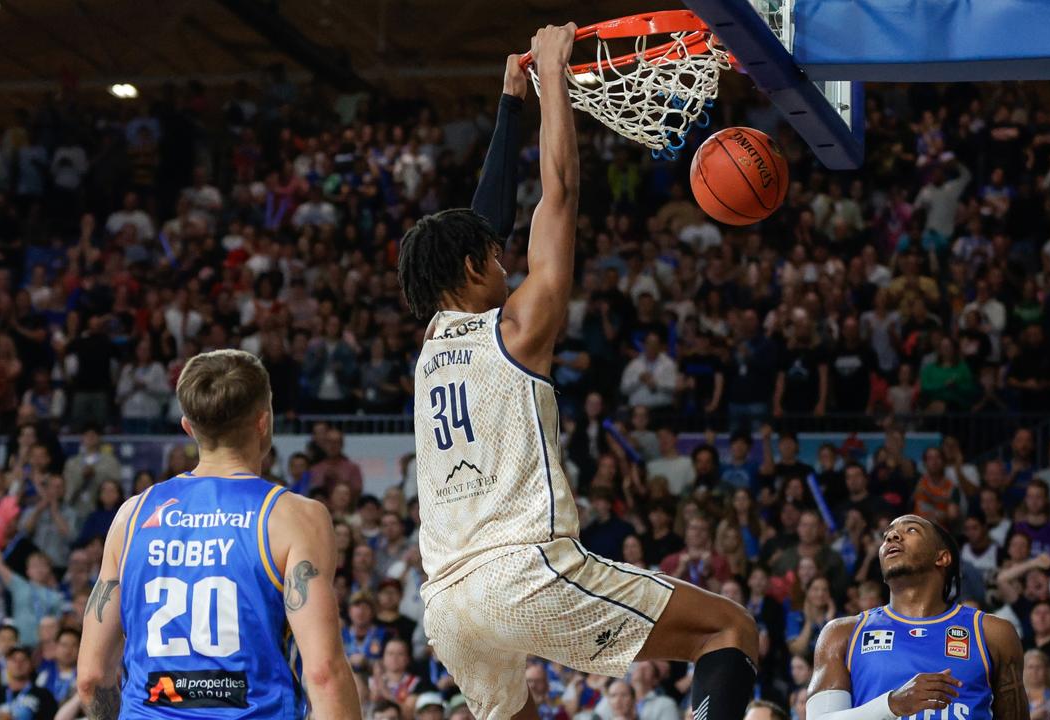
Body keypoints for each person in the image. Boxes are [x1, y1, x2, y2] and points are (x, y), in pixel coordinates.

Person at [398, 25, 758, 720]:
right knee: (729, 628)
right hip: (520, 570)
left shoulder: (432, 341)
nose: (506, 262)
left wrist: (509, 106)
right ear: (475, 269)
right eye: (494, 258)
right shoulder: (517, 328)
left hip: (445, 603)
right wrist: (555, 82)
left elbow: (481, 223)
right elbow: (557, 194)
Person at [76, 350, 360, 719]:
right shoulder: (295, 517)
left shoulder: (131, 516)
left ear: (188, 427)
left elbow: (91, 678)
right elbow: (323, 674)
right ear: (263, 421)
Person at [804, 514, 1050, 720]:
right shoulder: (842, 634)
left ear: (942, 557)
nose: (892, 536)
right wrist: (892, 705)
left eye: (911, 530)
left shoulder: (993, 633)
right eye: (888, 534)